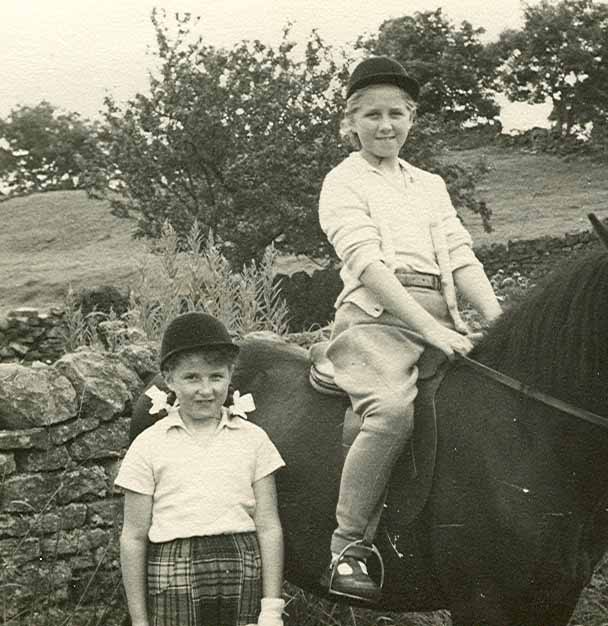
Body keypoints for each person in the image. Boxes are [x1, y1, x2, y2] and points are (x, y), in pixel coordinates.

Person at [318, 56, 502, 602]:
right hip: (375, 322)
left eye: (395, 113)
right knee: (393, 411)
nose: (384, 126)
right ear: (351, 123)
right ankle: (347, 547)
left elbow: (460, 254)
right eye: (371, 115)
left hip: (441, 319)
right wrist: (429, 327)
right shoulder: (342, 181)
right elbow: (369, 266)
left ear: (412, 119)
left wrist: (496, 318)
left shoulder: (429, 184)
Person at [116, 312, 286, 626]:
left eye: (216, 376)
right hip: (172, 570)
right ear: (168, 378)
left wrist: (272, 608)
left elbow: (269, 525)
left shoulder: (254, 440)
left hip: (242, 564)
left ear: (230, 374)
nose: (205, 389)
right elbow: (134, 537)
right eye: (192, 377)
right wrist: (139, 621)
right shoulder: (148, 445)